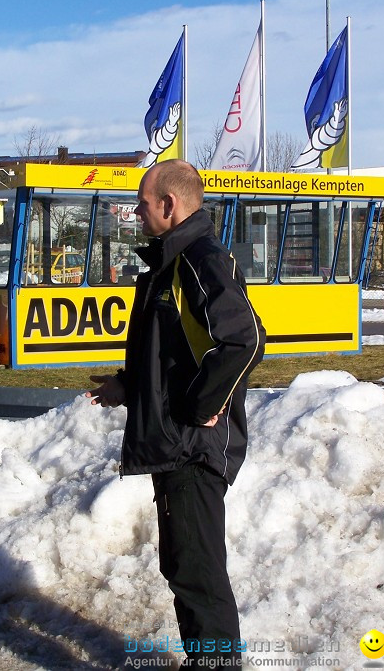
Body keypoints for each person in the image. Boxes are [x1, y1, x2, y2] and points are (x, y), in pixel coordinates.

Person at [86, 159, 265, 669]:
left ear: (169, 204)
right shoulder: (171, 262)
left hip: (193, 449)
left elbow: (243, 340)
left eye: (143, 204)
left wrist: (201, 404)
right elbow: (176, 354)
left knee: (198, 573)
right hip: (177, 444)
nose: (138, 214)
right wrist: (130, 386)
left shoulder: (198, 260)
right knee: (185, 566)